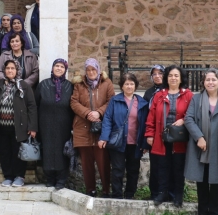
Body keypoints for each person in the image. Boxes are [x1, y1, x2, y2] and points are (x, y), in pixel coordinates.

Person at [183, 69, 218, 215]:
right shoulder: (196, 99)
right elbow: (188, 119)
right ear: (203, 82)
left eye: (213, 79)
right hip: (201, 147)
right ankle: (202, 214)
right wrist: (199, 137)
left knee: (216, 183)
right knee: (202, 182)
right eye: (207, 80)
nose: (210, 82)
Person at [145, 65, 193, 207]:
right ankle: (162, 193)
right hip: (162, 137)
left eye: (176, 75)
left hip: (180, 138)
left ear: (181, 78)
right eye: (171, 75)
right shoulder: (159, 95)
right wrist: (149, 134)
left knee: (178, 167)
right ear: (166, 78)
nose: (173, 78)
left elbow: (193, 113)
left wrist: (184, 120)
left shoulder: (188, 95)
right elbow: (151, 117)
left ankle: (177, 195)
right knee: (162, 166)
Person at [0, 59, 38, 187]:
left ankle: (19, 176)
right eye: (8, 68)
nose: (10, 70)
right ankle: (8, 176)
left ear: (17, 70)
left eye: (12, 68)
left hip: (19, 127)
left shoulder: (24, 86)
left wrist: (32, 127)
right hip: (1, 126)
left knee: (18, 152)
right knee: (4, 152)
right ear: (4, 70)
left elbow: (32, 107)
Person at [98, 72, 149, 199]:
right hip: (118, 142)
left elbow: (145, 124)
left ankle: (130, 195)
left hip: (135, 143)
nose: (129, 86)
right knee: (117, 169)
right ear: (122, 86)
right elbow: (107, 119)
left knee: (133, 170)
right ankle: (117, 195)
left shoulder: (142, 103)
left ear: (135, 86)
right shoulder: (115, 100)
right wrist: (104, 137)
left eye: (131, 84)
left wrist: (144, 143)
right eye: (126, 84)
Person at [71, 58, 114, 197]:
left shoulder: (107, 83)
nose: (91, 72)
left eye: (93, 69)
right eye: (88, 70)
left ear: (98, 70)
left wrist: (99, 112)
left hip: (101, 128)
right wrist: (88, 113)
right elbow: (74, 102)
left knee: (103, 162)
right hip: (83, 128)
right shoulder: (79, 85)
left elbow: (111, 101)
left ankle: (106, 190)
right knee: (87, 163)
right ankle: (90, 190)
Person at [35, 59, 74, 189]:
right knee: (47, 151)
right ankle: (50, 179)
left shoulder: (70, 86)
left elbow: (73, 107)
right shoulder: (43, 85)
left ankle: (61, 180)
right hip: (45, 125)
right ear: (52, 68)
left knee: (62, 152)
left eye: (62, 66)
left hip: (64, 126)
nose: (59, 68)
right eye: (56, 66)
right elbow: (35, 105)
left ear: (65, 70)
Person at [143, 65, 164, 199]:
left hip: (168, 134)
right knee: (155, 165)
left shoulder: (170, 90)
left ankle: (167, 193)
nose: (157, 76)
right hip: (153, 134)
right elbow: (146, 116)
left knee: (167, 165)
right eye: (154, 74)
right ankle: (154, 193)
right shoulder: (149, 93)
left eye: (160, 73)